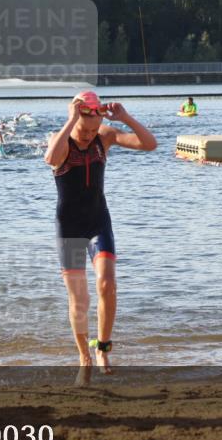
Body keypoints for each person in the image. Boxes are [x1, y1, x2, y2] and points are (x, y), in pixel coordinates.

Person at [44, 91, 157, 387]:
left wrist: (125, 118)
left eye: (95, 128)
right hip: (68, 227)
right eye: (85, 128)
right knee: (79, 298)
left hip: (98, 222)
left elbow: (149, 144)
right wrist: (71, 121)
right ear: (76, 117)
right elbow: (50, 159)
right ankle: (84, 357)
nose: (89, 135)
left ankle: (103, 348)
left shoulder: (104, 136)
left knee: (107, 283)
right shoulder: (62, 138)